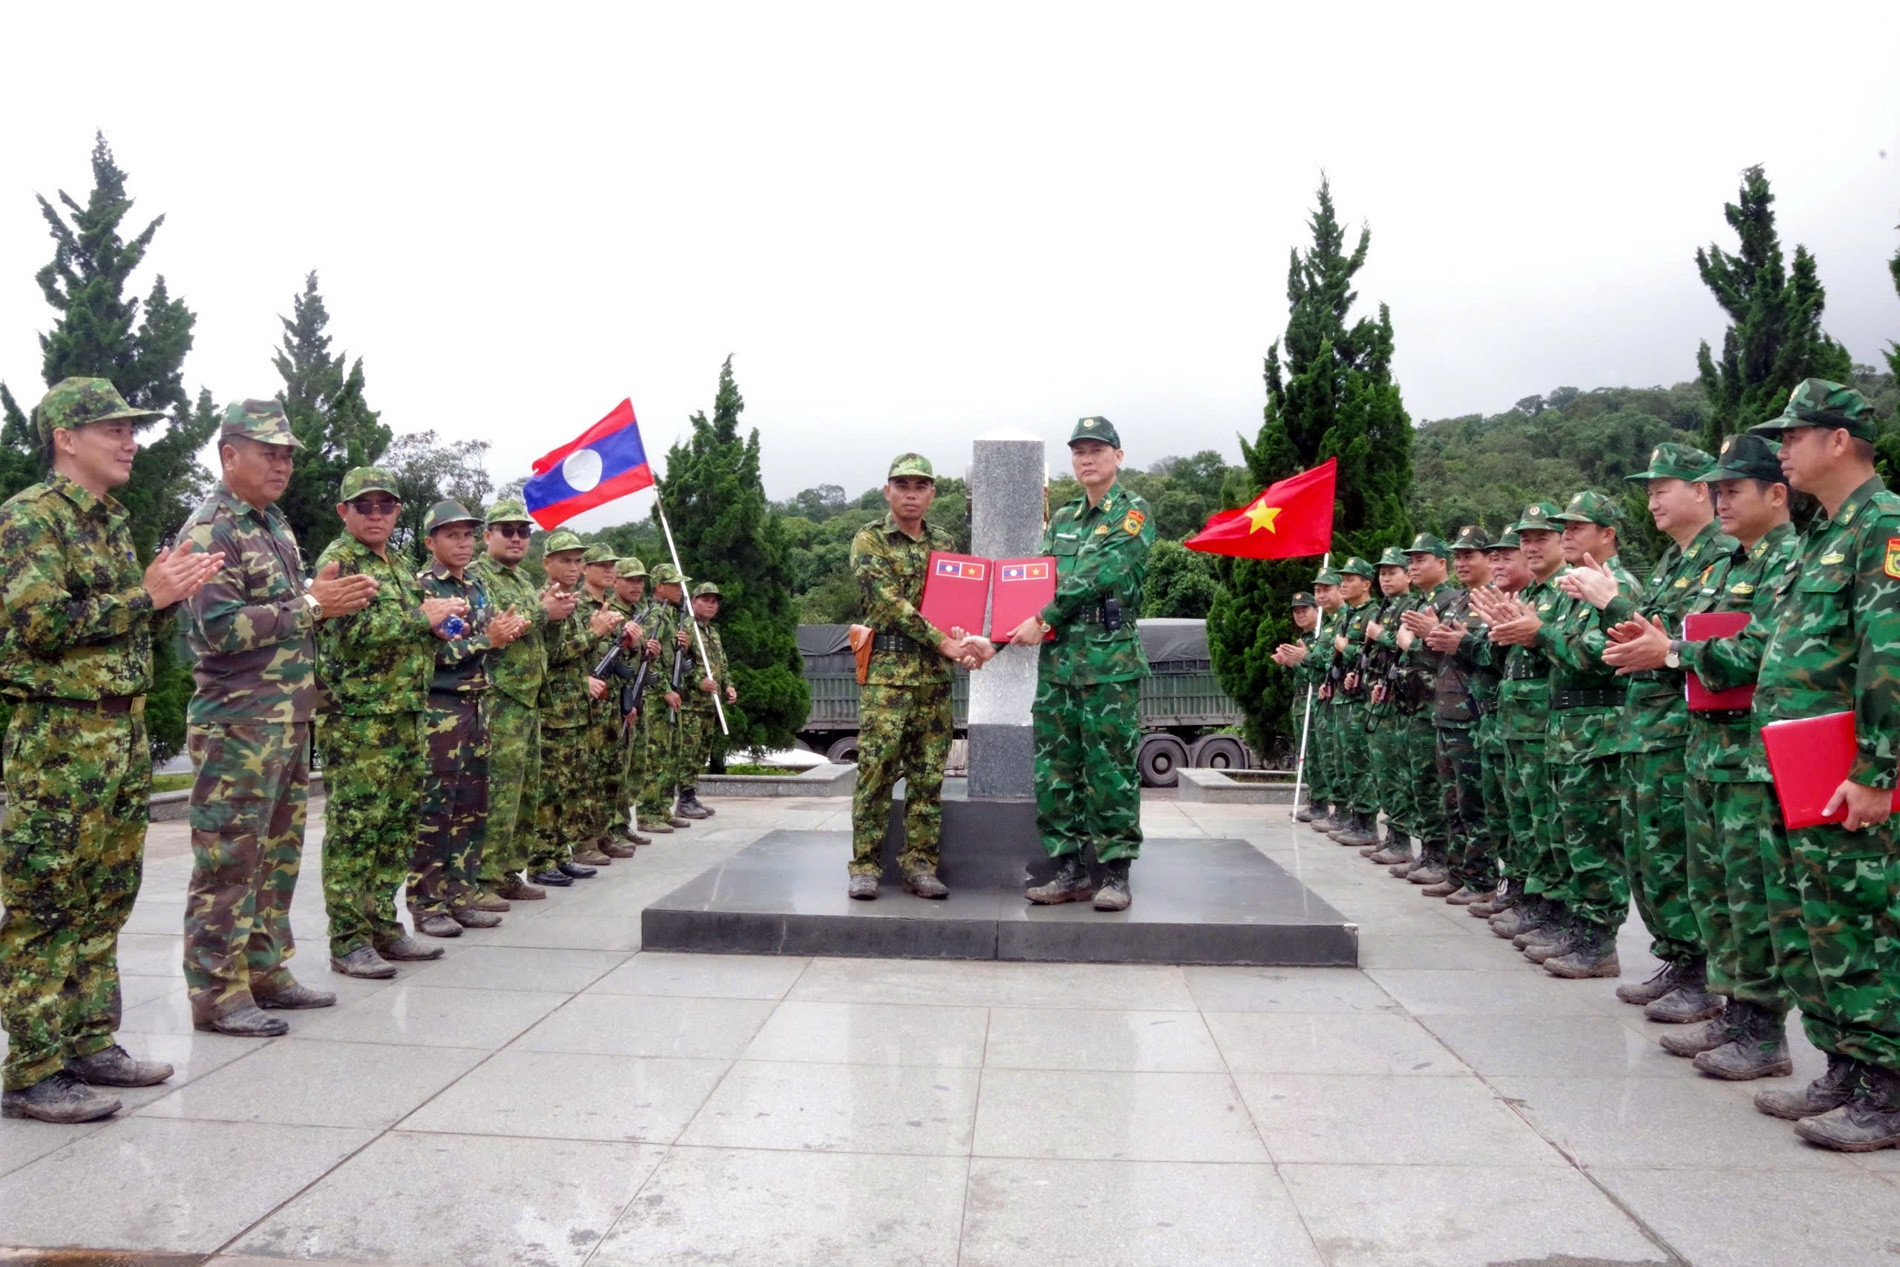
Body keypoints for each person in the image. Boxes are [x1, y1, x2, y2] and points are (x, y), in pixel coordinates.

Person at [0, 377, 220, 1124]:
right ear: (66, 436)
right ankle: (31, 1068)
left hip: (116, 732)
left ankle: (89, 1039)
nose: (130, 441)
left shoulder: (109, 524)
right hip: (60, 735)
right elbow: (38, 624)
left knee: (104, 895)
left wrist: (167, 595)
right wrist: (145, 596)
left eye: (133, 428)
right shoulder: (29, 518)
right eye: (113, 429)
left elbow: (119, 628)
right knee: (45, 901)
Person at [1602, 432, 1801, 1077]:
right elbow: (1698, 641)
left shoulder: (1787, 559)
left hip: (1752, 757)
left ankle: (1762, 1033)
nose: (1721, 502)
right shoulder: (1737, 563)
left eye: (1731, 490)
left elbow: (1760, 654)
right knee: (1715, 893)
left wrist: (1672, 652)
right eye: (1715, 491)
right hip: (1709, 751)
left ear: (1777, 493)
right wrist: (1666, 646)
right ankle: (1735, 1015)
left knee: (1752, 899)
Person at [178, 399, 373, 1039]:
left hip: (286, 720)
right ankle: (218, 994)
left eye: (288, 455)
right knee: (229, 863)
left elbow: (292, 610)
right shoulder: (212, 530)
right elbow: (217, 630)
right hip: (236, 725)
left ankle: (266, 970)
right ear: (229, 454)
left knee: (277, 857)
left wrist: (315, 600)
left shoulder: (274, 525)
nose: (283, 465)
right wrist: (313, 603)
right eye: (270, 453)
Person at [1563, 443, 1733, 1022]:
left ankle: (1702, 975)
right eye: (1650, 489)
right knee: (1648, 857)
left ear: (1702, 491)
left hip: (1682, 732)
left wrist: (1612, 600)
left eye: (1665, 486)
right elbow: (1638, 640)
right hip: (1645, 729)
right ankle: (1679, 961)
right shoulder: (1673, 560)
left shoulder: (1724, 555)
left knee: (1681, 859)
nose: (1653, 498)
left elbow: (1672, 637)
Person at [1477, 490, 1639, 979]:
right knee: (1560, 838)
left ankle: (1596, 941)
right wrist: (1521, 633)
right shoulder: (1572, 587)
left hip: (1596, 732)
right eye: (1562, 528)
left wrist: (1537, 633)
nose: (1566, 535)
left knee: (1593, 844)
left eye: (1575, 528)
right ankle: (1570, 923)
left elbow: (1594, 657)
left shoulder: (1616, 587)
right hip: (1563, 731)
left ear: (1607, 534)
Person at [314, 466, 466, 978]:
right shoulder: (340, 561)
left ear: (398, 511)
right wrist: (420, 620)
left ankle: (383, 925)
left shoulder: (397, 563)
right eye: (364, 506)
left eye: (386, 506)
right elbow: (354, 629)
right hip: (360, 719)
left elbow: (405, 629)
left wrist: (437, 629)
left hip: (404, 712)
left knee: (396, 829)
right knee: (355, 832)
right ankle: (348, 939)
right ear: (345, 512)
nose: (376, 514)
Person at [1012, 416, 1156, 911]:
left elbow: (1100, 573)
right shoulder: (1062, 519)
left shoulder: (1133, 512)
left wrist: (1040, 615)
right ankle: (1069, 870)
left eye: (1097, 449)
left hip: (1107, 661)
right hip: (1058, 662)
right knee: (1056, 768)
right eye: (1078, 451)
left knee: (1109, 766)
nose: (1086, 458)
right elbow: (1037, 580)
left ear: (1118, 456)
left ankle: (1115, 872)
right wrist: (997, 630)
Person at [846, 453, 969, 899]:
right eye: (902, 485)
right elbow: (886, 603)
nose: (911, 493)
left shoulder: (945, 540)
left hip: (935, 679)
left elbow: (959, 602)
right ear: (888, 491)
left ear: (933, 494)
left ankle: (920, 866)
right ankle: (864, 866)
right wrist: (945, 641)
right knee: (876, 773)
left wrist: (963, 635)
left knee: (928, 776)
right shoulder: (870, 539)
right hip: (888, 678)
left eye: (920, 485)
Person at [411, 500, 528, 938]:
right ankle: (428, 902)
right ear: (430, 542)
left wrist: (500, 637)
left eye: (466, 535)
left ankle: (462, 895)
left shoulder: (477, 585)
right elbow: (427, 655)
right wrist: (486, 641)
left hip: (479, 706)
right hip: (440, 711)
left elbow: (487, 641)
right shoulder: (421, 587)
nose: (462, 543)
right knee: (436, 809)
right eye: (451, 535)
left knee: (471, 807)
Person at [1474, 503, 1573, 942]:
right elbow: (1505, 662)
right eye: (1525, 539)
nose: (1530, 547)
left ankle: (1554, 912)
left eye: (1540, 538)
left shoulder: (1567, 590)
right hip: (1516, 726)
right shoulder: (1531, 596)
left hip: (1548, 728)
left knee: (1550, 829)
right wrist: (1495, 632)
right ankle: (1531, 900)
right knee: (1523, 822)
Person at [470, 499, 565, 902]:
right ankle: (485, 877)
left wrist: (556, 618)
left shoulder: (523, 580)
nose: (515, 538)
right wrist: (544, 612)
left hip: (528, 699)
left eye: (523, 532)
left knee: (525, 792)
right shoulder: (478, 577)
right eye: (506, 531)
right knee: (499, 791)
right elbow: (502, 627)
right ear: (487, 535)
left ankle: (510, 869)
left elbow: (543, 639)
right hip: (499, 696)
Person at [1411, 525, 1498, 903]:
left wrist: (1445, 637)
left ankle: (1480, 881)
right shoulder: (1459, 602)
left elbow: (1485, 654)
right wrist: (1428, 637)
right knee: (1453, 801)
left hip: (1473, 713)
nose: (1463, 562)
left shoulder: (1491, 600)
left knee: (1474, 803)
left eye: (1470, 555)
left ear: (1488, 559)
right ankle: (1458, 870)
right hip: (1446, 711)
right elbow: (1436, 657)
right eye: (1459, 555)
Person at [527, 529, 618, 885]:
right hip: (553, 713)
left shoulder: (574, 602)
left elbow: (581, 656)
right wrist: (593, 633)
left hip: (577, 710)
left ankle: (558, 853)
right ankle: (539, 860)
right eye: (565, 560)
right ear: (546, 562)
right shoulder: (543, 601)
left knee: (570, 787)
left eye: (578, 560)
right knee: (548, 791)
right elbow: (549, 654)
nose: (573, 566)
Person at [1466, 528, 1529, 919]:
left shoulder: (1553, 593)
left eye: (1508, 555)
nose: (1498, 563)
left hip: (1545, 729)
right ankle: (1518, 891)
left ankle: (1546, 909)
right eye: (1495, 556)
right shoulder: (1509, 599)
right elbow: (1493, 660)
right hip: (1500, 722)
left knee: (1544, 829)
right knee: (1504, 815)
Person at [1362, 548, 1418, 866]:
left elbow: (1409, 648)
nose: (1385, 578)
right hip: (1384, 695)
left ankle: (1401, 840)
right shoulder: (1386, 607)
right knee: (1385, 774)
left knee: (1400, 775)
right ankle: (1392, 837)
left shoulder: (1410, 607)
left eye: (1391, 572)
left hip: (1404, 703)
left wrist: (1381, 636)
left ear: (1407, 575)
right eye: (1381, 573)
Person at [1322, 558, 1381, 848]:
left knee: (1360, 763)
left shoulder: (1373, 612)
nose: (1343, 583)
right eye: (1342, 579)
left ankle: (1367, 823)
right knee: (1348, 763)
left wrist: (1348, 648)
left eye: (1350, 579)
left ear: (1366, 584)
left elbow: (1376, 654)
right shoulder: (1351, 615)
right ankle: (1356, 820)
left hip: (1361, 699)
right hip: (1344, 697)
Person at [573, 544, 622, 864]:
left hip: (611, 701)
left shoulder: (612, 606)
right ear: (585, 569)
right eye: (601, 565)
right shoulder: (577, 605)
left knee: (608, 772)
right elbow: (567, 652)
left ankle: (603, 834)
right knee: (585, 775)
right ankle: (583, 843)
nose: (609, 570)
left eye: (612, 565)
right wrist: (581, 682)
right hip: (584, 702)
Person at [638, 563, 694, 832]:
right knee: (657, 756)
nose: (679, 590)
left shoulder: (671, 616)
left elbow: (675, 659)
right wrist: (664, 689)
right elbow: (649, 660)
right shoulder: (653, 617)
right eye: (674, 585)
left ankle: (662, 808)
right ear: (659, 587)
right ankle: (649, 813)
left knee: (671, 756)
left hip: (673, 692)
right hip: (657, 697)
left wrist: (685, 646)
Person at [605, 555, 657, 847]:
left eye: (641, 581)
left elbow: (639, 659)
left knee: (633, 764)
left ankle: (623, 822)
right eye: (631, 580)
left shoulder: (640, 614)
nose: (637, 586)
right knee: (616, 765)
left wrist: (649, 650)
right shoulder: (611, 612)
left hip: (635, 694)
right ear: (617, 581)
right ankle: (612, 826)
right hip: (615, 695)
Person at [674, 582, 737, 820]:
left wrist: (728, 685)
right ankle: (685, 799)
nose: (711, 605)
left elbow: (722, 664)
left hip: (709, 705)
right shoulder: (686, 630)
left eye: (715, 602)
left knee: (700, 753)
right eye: (706, 600)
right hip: (692, 704)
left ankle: (691, 795)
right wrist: (698, 681)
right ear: (693, 602)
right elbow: (680, 664)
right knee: (689, 753)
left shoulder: (713, 633)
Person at [1272, 589, 1327, 822]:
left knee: (1316, 754)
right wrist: (1288, 664)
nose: (1300, 614)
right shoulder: (1303, 640)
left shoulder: (1321, 638)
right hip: (1301, 701)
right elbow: (1298, 679)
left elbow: (1318, 674)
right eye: (1296, 611)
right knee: (1305, 754)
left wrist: (1298, 662)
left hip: (1316, 701)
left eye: (1305, 609)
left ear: (1317, 610)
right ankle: (1315, 799)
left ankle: (1322, 803)